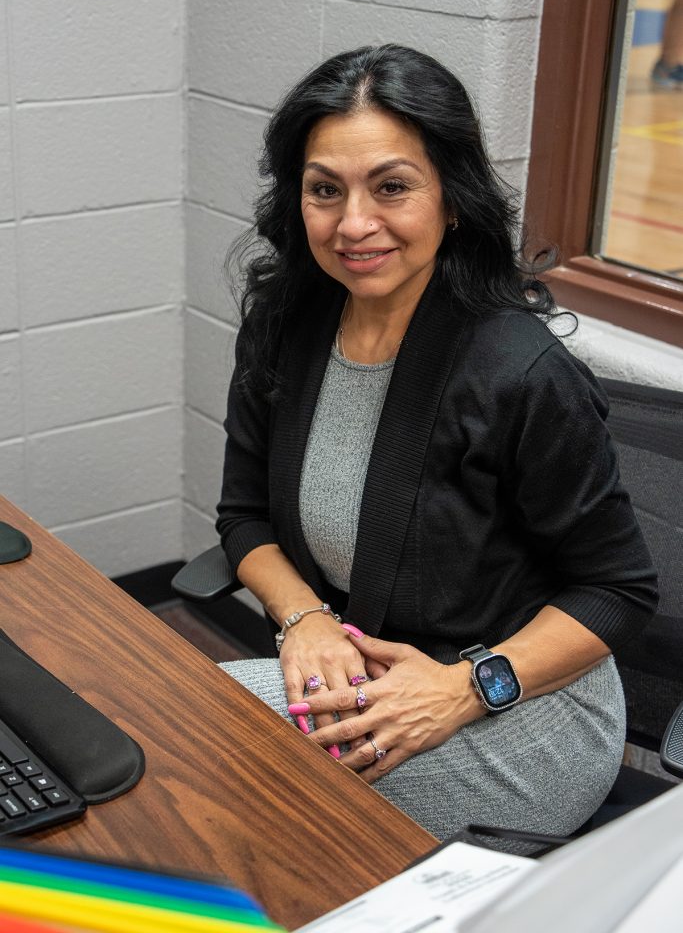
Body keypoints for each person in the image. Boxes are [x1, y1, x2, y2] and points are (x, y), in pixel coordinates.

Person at [216, 45, 658, 842]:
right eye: (325, 191)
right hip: (371, 677)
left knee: (226, 794)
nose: (354, 223)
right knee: (164, 732)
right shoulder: (286, 327)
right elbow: (244, 518)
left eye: (391, 187)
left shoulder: (519, 373)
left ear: (451, 199)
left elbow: (617, 593)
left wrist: (466, 687)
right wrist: (305, 618)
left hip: (520, 706)